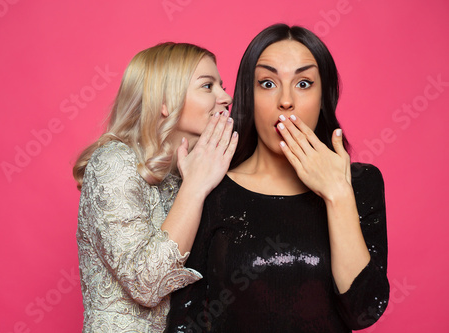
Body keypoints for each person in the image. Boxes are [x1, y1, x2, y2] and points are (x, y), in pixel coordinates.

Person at [166, 24, 389, 332]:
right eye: (268, 83)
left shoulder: (361, 184)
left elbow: (363, 311)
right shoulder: (211, 187)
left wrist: (338, 195)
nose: (286, 101)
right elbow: (183, 320)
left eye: (304, 83)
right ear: (248, 94)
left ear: (324, 96)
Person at [73, 42, 238, 332]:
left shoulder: (185, 172)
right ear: (165, 101)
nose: (226, 97)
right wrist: (196, 187)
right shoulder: (115, 162)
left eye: (221, 86)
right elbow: (147, 285)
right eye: (207, 86)